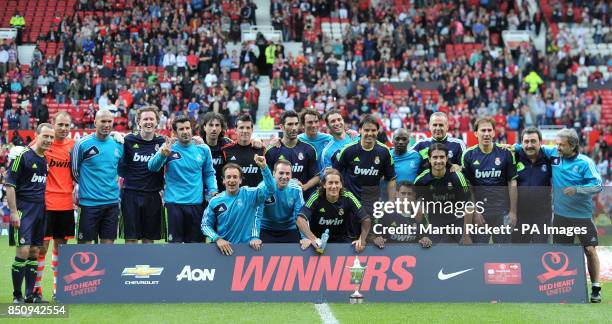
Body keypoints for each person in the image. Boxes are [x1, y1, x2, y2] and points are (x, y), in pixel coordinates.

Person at [532, 128, 603, 303]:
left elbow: (598, 186)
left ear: (572, 146)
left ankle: (596, 288)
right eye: (556, 144)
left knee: (590, 250)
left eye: (561, 145)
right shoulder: (555, 155)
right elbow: (534, 146)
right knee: (562, 253)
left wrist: (578, 189)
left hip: (582, 216)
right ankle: (567, 289)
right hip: (561, 216)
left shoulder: (585, 163)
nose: (557, 147)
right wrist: (512, 147)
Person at [148, 116, 217, 243]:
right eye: (181, 129)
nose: (185, 131)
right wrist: (163, 154)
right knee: (175, 246)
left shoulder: (203, 149)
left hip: (196, 204)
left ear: (191, 129)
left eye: (187, 128)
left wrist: (213, 190)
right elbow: (152, 167)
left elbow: (208, 173)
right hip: (174, 204)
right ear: (175, 132)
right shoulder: (168, 147)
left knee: (196, 245)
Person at [7, 123, 54, 304]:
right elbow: (10, 185)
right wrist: (13, 212)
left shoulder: (44, 160)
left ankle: (30, 295)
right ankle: (17, 296)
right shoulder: (22, 157)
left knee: (35, 250)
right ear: (36, 135)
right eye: (45, 136)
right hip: (23, 209)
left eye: (51, 137)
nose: (49, 140)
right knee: (24, 250)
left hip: (40, 210)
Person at [333, 114, 396, 239]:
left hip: (372, 203)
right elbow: (334, 174)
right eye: (366, 130)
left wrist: (391, 201)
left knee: (370, 239)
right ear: (360, 130)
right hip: (350, 201)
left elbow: (391, 179)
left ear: (377, 132)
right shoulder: (348, 150)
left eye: (373, 130)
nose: (370, 133)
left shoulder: (384, 152)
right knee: (350, 238)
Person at [33, 112, 75, 301]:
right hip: (45, 203)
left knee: (61, 249)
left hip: (66, 203)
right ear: (53, 124)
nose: (64, 129)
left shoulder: (74, 146)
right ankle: (37, 289)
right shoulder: (41, 144)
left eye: (67, 125)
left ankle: (59, 291)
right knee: (41, 248)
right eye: (60, 125)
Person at [201, 154, 275, 255]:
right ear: (223, 180)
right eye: (228, 177)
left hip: (247, 249)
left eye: (235, 177)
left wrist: (264, 167)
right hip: (224, 250)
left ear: (240, 180)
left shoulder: (250, 194)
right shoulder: (215, 201)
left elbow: (271, 189)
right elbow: (205, 225)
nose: (232, 180)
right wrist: (217, 239)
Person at [461, 117, 517, 244]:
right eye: (482, 130)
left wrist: (513, 212)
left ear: (493, 132)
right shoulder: (468, 155)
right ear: (475, 133)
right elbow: (468, 187)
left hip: (502, 212)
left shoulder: (505, 153)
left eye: (489, 130)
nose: (486, 134)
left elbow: (512, 183)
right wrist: (475, 212)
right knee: (479, 252)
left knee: (504, 252)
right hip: (480, 213)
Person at [71, 110, 124, 244]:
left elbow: (120, 169)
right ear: (95, 122)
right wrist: (88, 187)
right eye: (103, 121)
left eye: (109, 121)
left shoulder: (118, 144)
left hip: (111, 203)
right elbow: (74, 172)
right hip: (89, 204)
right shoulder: (82, 144)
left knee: (107, 247)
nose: (106, 124)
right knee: (85, 248)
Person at [119, 107, 166, 244]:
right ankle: (130, 265)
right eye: (145, 119)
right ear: (138, 122)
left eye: (152, 119)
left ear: (157, 122)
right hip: (131, 195)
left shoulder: (162, 142)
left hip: (152, 195)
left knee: (148, 240)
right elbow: (120, 167)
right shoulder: (128, 140)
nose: (148, 122)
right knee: (131, 239)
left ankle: (147, 265)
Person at [296, 168, 371, 253]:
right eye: (330, 183)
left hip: (342, 240)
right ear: (324, 185)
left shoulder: (348, 196)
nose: (334, 186)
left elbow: (366, 219)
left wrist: (362, 240)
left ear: (341, 184)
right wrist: (313, 239)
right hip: (319, 242)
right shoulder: (316, 196)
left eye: (337, 183)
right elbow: (300, 220)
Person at [414, 143, 473, 244]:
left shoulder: (458, 177)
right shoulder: (421, 180)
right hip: (434, 225)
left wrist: (466, 235)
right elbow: (415, 208)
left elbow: (469, 206)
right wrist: (423, 234)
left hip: (457, 224)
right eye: (435, 157)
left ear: (446, 158)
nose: (438, 161)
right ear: (429, 159)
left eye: (442, 157)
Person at [265, 111, 319, 198]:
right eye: (290, 124)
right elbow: (266, 177)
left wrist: (304, 187)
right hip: (278, 200)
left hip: (301, 200)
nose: (294, 128)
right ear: (282, 127)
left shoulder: (309, 149)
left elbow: (317, 176)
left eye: (296, 124)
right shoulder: (272, 151)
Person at [512, 127, 552, 243]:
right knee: (519, 252)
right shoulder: (514, 157)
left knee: (539, 252)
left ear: (541, 142)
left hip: (542, 216)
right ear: (521, 143)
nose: (529, 145)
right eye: (526, 141)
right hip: (519, 215)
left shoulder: (549, 159)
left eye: (533, 141)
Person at [256, 159, 304, 243]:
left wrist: (304, 237)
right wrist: (255, 237)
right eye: (281, 173)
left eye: (288, 173)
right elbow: (256, 215)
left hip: (289, 229)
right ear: (274, 173)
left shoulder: (296, 189)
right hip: (265, 229)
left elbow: (300, 215)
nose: (284, 177)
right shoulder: (262, 188)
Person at [370, 181, 422, 246]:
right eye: (403, 193)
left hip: (413, 254)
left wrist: (425, 239)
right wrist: (375, 239)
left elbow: (425, 236)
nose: (406, 197)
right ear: (396, 194)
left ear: (414, 195)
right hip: (388, 253)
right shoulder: (385, 213)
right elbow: (371, 235)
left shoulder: (419, 214)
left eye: (409, 194)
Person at [221, 114, 264, 187]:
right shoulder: (225, 150)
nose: (245, 131)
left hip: (256, 197)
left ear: (252, 130)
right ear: (235, 130)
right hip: (233, 197)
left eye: (248, 128)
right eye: (241, 127)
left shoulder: (262, 150)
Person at [199, 112, 233, 192]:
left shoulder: (228, 144)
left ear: (221, 128)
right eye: (211, 125)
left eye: (217, 125)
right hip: (201, 194)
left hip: (223, 193)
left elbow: (242, 145)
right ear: (204, 127)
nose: (214, 128)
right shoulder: (197, 145)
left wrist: (254, 140)